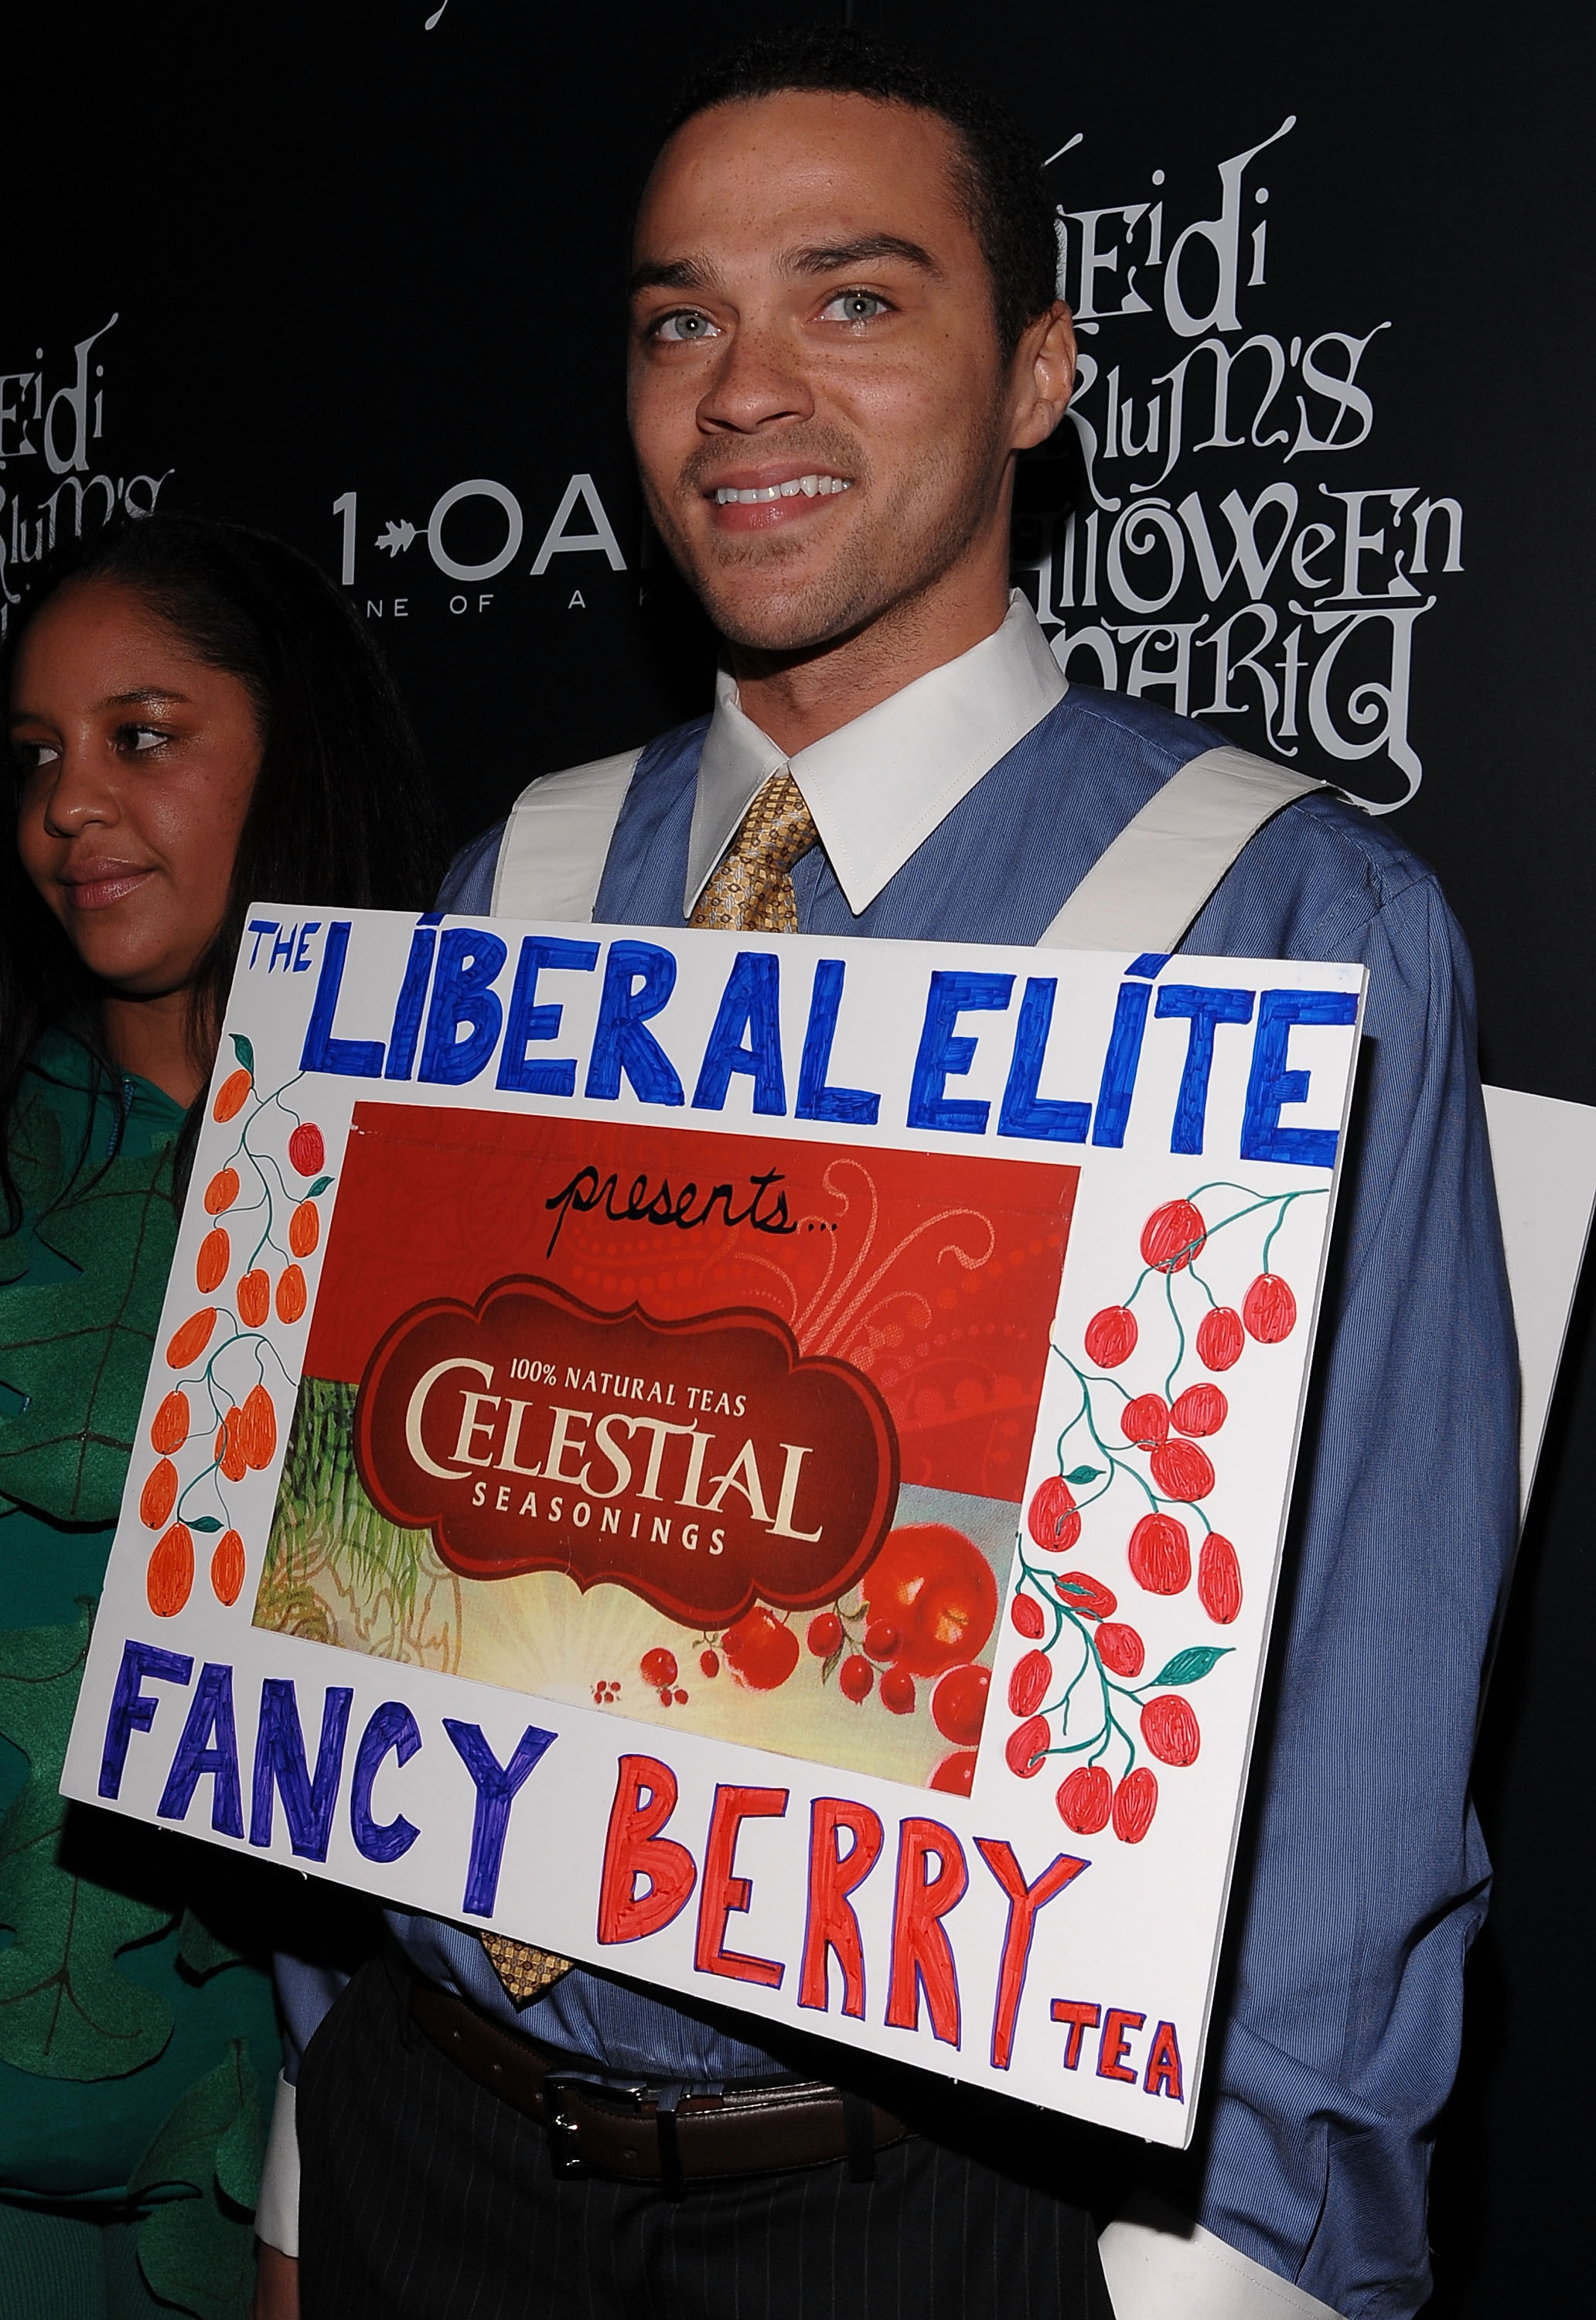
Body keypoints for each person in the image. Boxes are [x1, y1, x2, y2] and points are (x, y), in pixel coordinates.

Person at [266, 29, 1516, 2320]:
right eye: (680, 319)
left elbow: (1368, 1700)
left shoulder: (1282, 925)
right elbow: (343, 1575)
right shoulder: (503, 886)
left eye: (852, 298)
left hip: (928, 2207)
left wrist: (1228, 2283)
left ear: (1037, 372)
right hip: (426, 2148)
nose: (743, 388)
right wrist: (312, 2125)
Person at [0, 512, 446, 2319]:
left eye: (143, 736)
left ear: (293, 742)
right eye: (32, 758)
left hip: (276, 2172)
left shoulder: (436, 1169)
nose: (69, 807)